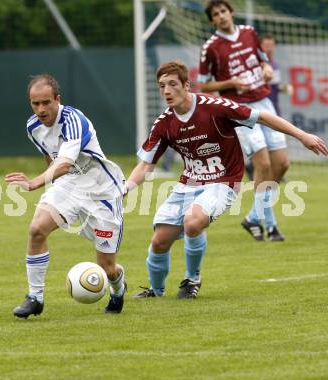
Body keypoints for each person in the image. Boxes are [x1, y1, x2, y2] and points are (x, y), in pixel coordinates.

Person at [126, 60, 327, 299]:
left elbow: (261, 116)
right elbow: (146, 164)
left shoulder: (214, 107)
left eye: (172, 84)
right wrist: (127, 186)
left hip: (224, 181)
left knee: (193, 221)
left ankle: (192, 280)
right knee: (159, 242)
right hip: (188, 183)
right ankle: (156, 291)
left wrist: (302, 135)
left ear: (187, 85)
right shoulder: (164, 123)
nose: (167, 91)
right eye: (162, 86)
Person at [6, 74, 127, 318]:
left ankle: (118, 287)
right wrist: (53, 190)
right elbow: (50, 158)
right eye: (35, 103)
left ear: (57, 100)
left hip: (100, 189)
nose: (41, 109)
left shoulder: (74, 120)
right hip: (70, 184)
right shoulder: (33, 127)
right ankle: (35, 298)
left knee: (107, 266)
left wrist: (35, 183)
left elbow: (64, 162)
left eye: (46, 103)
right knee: (37, 229)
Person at [198, 0, 289, 241]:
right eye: (215, 14)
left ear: (231, 12)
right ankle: (269, 224)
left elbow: (262, 60)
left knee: (282, 164)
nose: (221, 16)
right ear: (212, 20)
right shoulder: (211, 47)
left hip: (264, 101)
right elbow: (204, 83)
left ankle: (253, 217)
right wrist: (231, 84)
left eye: (223, 11)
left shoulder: (249, 32)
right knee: (264, 164)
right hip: (239, 110)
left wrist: (266, 68)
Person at [245, 34, 294, 180]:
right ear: (260, 47)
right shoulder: (255, 65)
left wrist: (285, 88)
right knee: (262, 145)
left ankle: (272, 171)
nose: (269, 48)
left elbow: (274, 86)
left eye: (271, 45)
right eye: (266, 45)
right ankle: (252, 167)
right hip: (259, 110)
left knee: (276, 143)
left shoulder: (275, 65)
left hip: (274, 108)